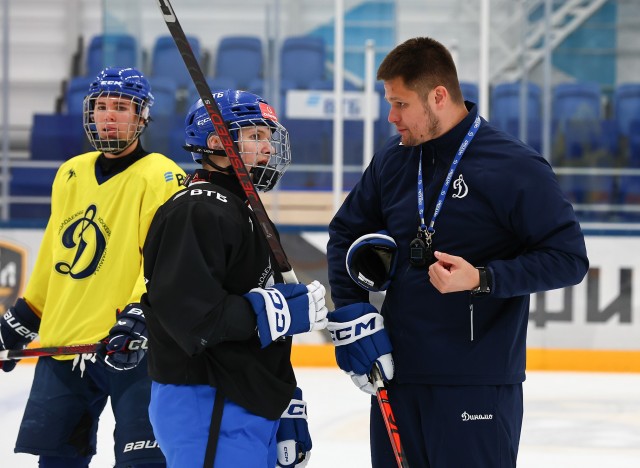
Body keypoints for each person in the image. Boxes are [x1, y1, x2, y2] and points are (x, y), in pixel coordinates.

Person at [326, 36, 589, 467]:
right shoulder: (393, 162)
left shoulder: (514, 166)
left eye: (400, 103)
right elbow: (344, 233)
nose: (391, 117)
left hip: (476, 384)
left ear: (439, 96)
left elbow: (569, 259)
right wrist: (354, 310)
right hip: (396, 379)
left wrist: (484, 278)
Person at [0, 66, 186, 468]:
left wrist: (141, 313)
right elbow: (55, 254)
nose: (108, 115)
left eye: (121, 107)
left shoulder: (162, 176)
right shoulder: (70, 172)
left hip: (133, 347)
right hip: (65, 344)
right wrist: (24, 316)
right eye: (101, 106)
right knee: (56, 461)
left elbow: (167, 259)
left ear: (141, 117)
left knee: (144, 462)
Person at [141, 89, 327, 467]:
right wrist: (270, 313)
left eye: (267, 137)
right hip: (205, 399)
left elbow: (260, 327)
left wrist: (283, 397)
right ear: (216, 143)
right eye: (255, 136)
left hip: (242, 398)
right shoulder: (197, 210)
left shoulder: (245, 210)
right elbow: (191, 319)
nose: (267, 148)